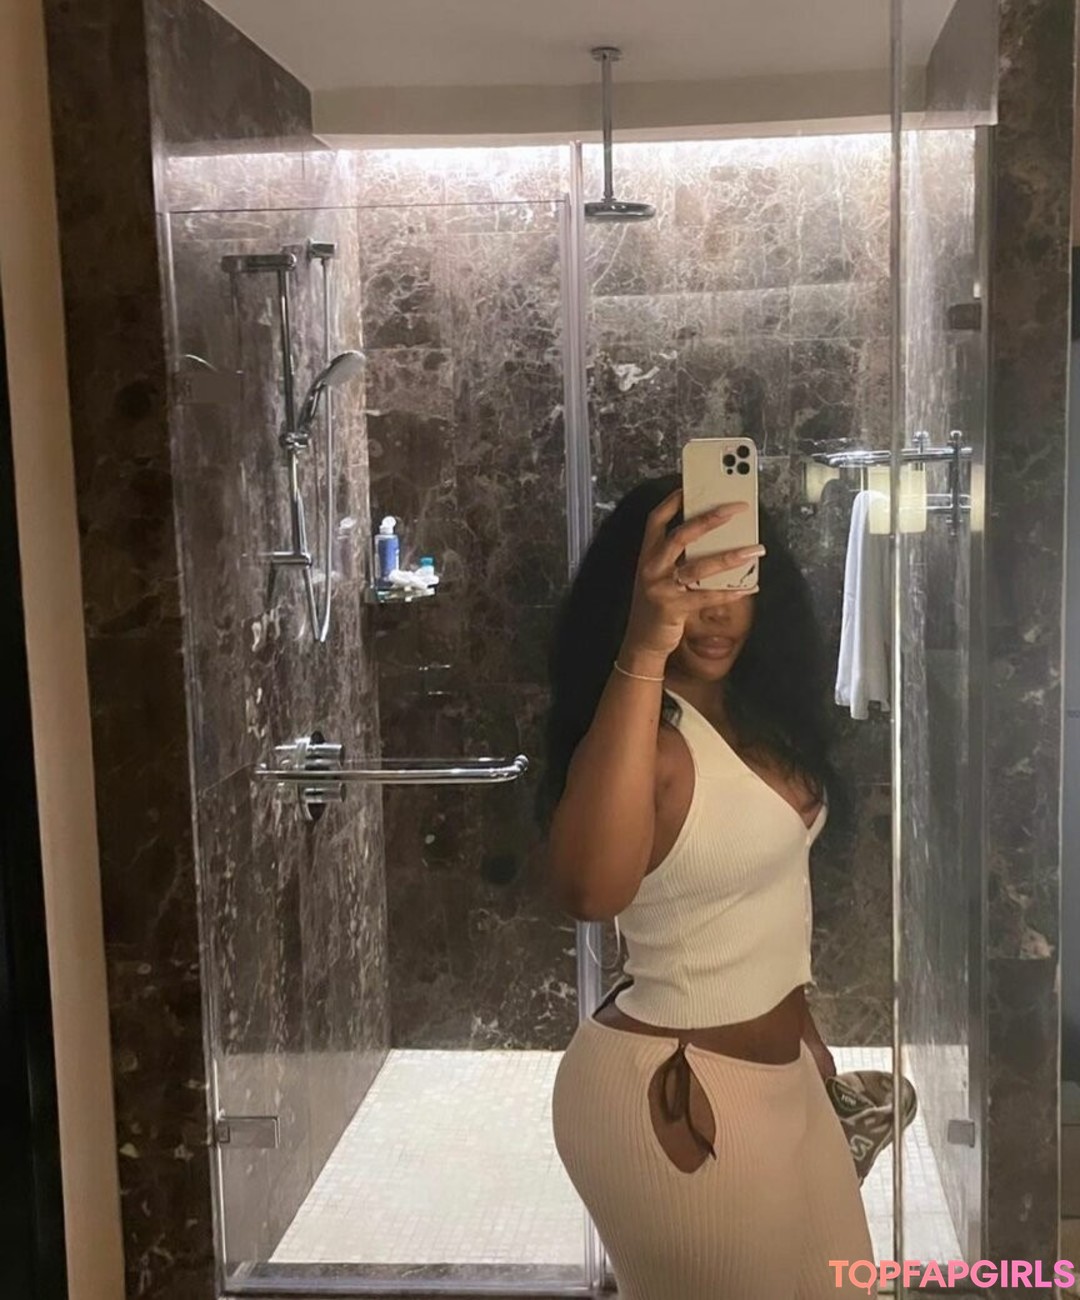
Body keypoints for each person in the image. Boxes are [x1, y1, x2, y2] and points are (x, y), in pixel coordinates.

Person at [535, 474, 876, 1299]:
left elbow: (765, 897)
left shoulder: (760, 719)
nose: (717, 611)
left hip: (785, 1076)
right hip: (675, 1093)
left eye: (734, 580)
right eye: (690, 585)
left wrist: (804, 1032)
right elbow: (589, 892)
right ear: (641, 594)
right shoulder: (646, 740)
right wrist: (644, 648)